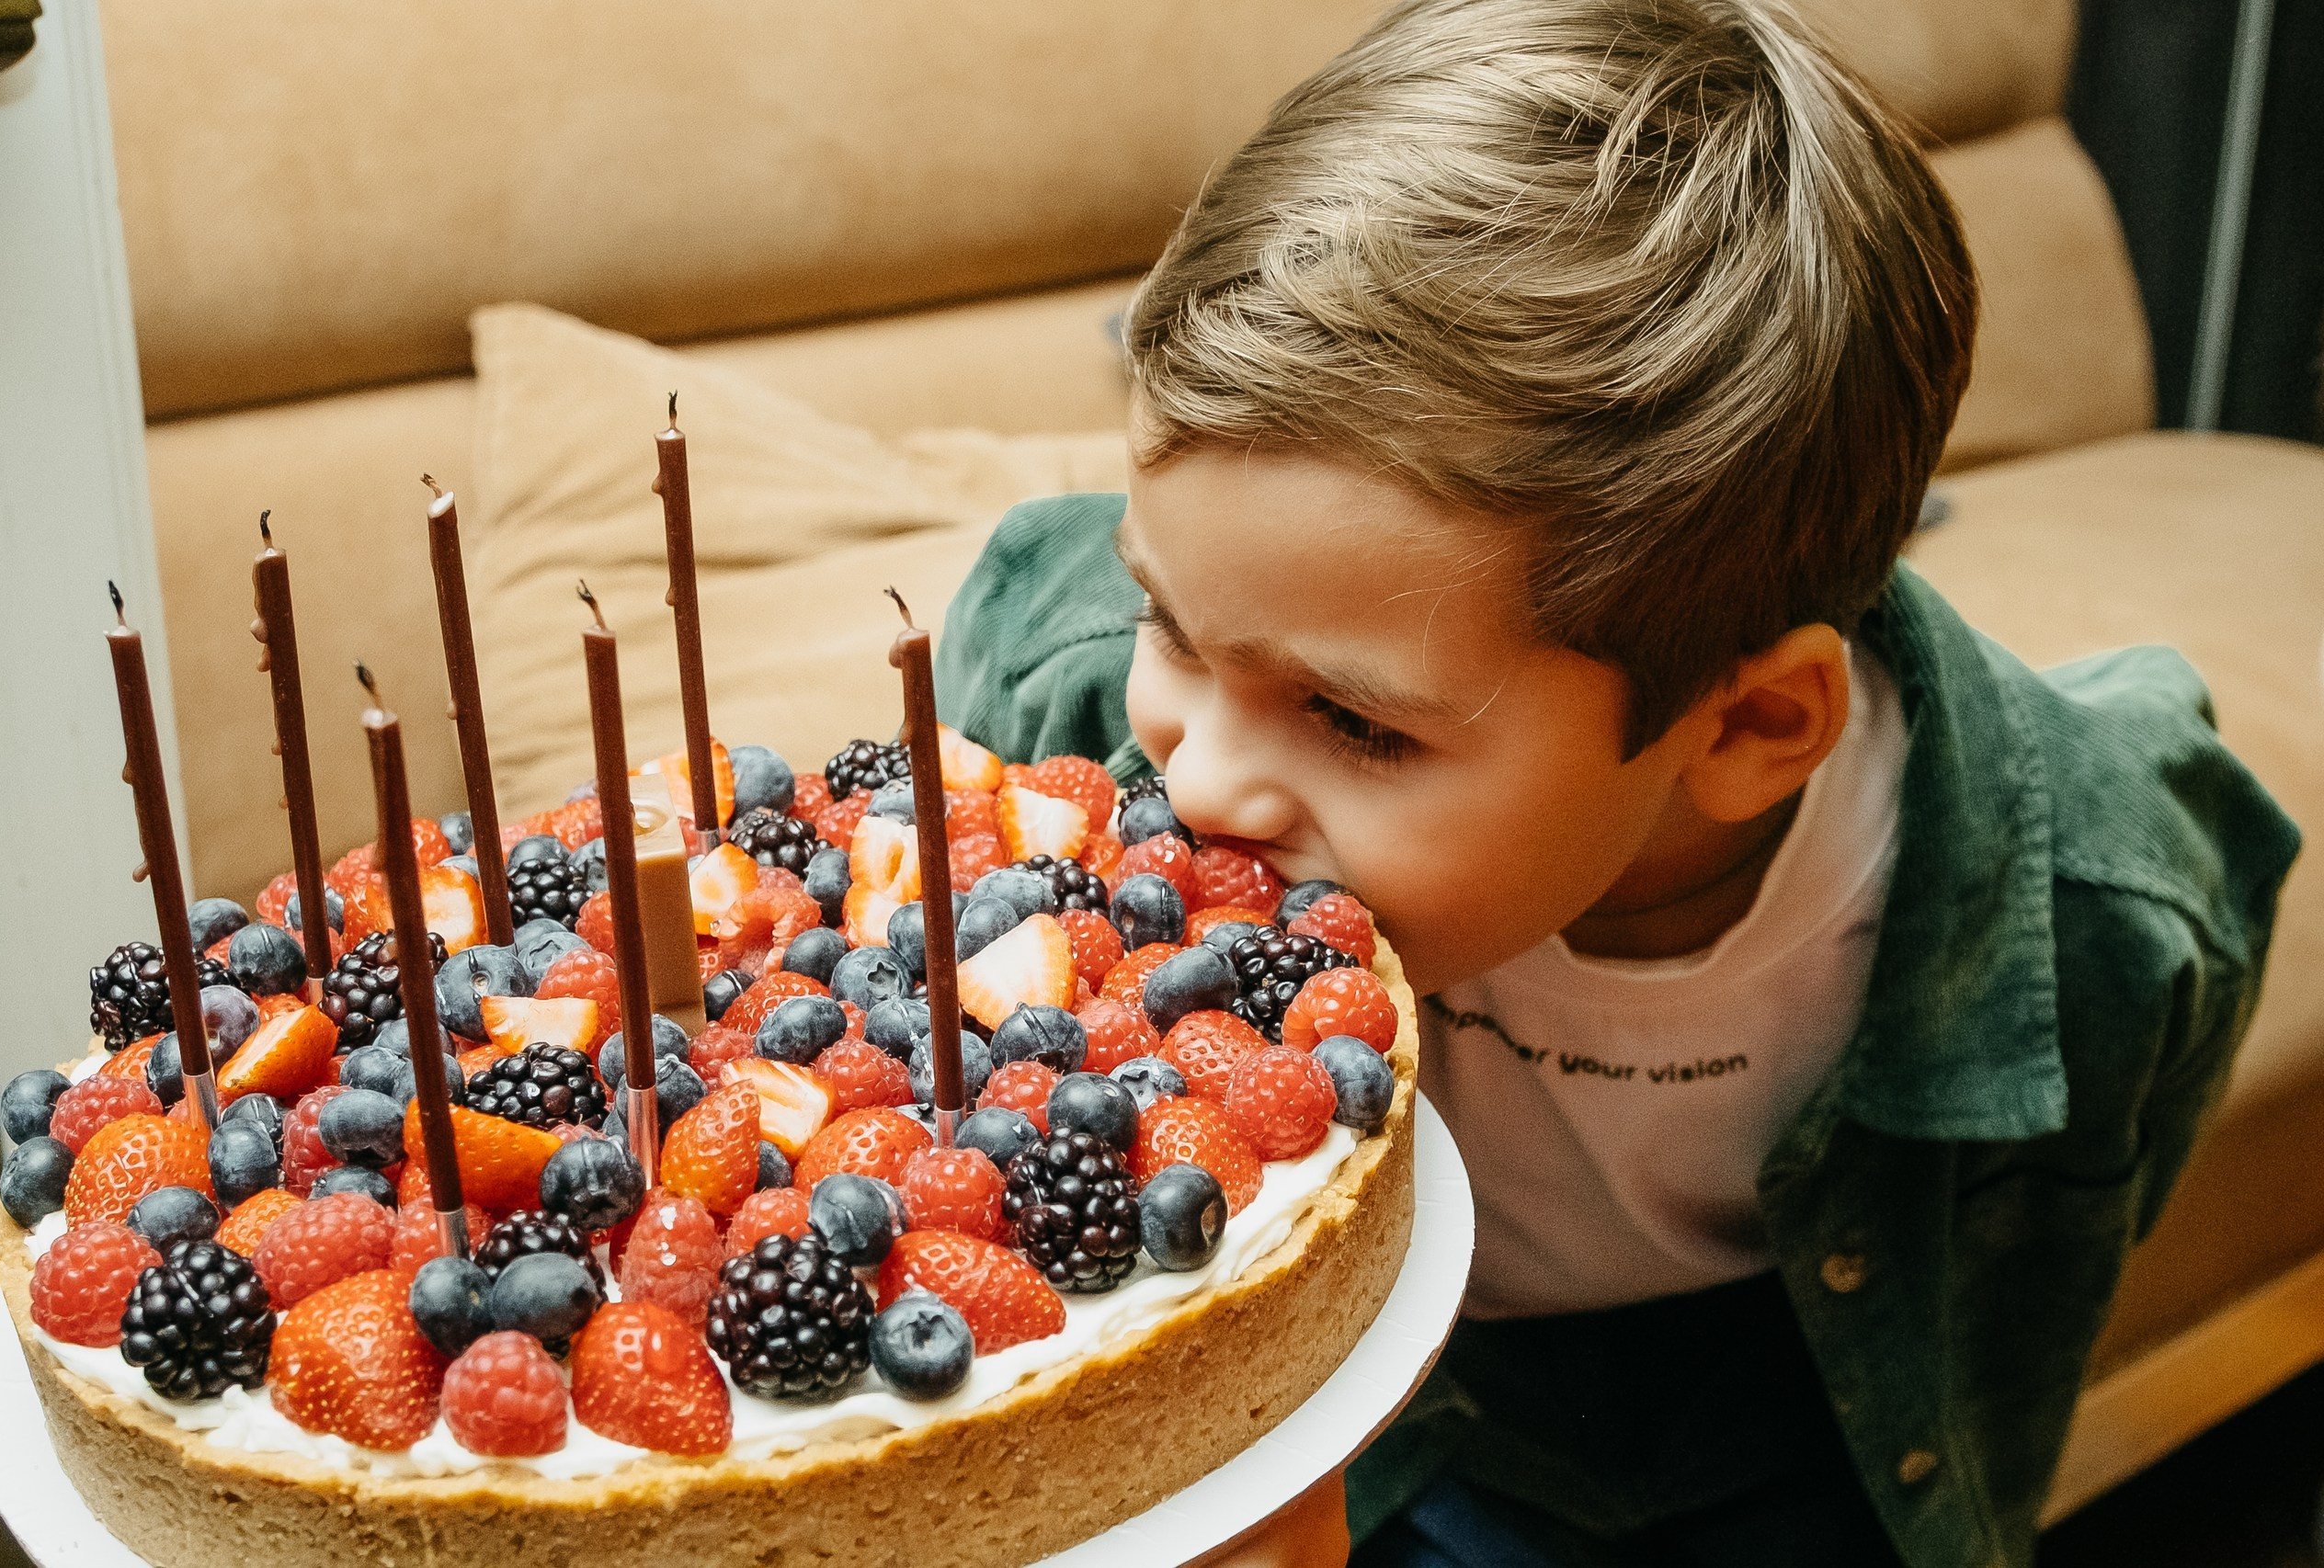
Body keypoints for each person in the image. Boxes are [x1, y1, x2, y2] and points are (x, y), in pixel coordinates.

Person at [932, 1, 2302, 1562]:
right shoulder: (1088, 702)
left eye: (1355, 721)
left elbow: (2169, 982)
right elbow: (1030, 590)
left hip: (1805, 1400)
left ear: (1745, 731)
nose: (1212, 785)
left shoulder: (2091, 901)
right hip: (1421, 1414)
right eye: (1173, 626)